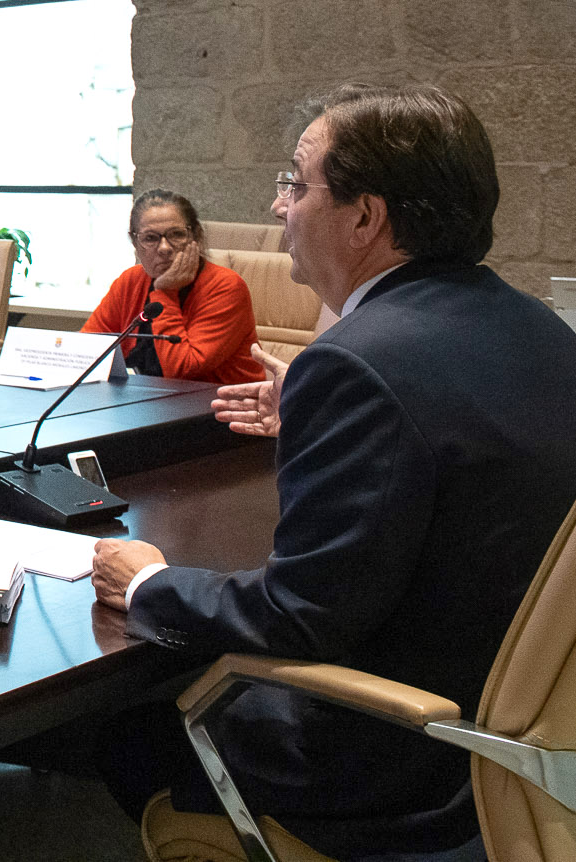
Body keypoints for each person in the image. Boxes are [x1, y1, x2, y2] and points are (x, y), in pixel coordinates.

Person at [89, 84, 576, 860]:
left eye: (295, 182)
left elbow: (299, 615)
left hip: (394, 767)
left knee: (103, 720)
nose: (278, 205)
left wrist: (149, 582)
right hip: (511, 740)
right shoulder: (535, 326)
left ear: (362, 217)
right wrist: (323, 412)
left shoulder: (359, 363)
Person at [80, 188, 262, 384]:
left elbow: (183, 370)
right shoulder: (129, 281)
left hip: (220, 407)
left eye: (176, 235)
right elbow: (87, 351)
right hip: (149, 403)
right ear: (134, 242)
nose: (165, 248)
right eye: (150, 238)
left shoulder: (226, 286)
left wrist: (165, 293)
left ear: (196, 236)